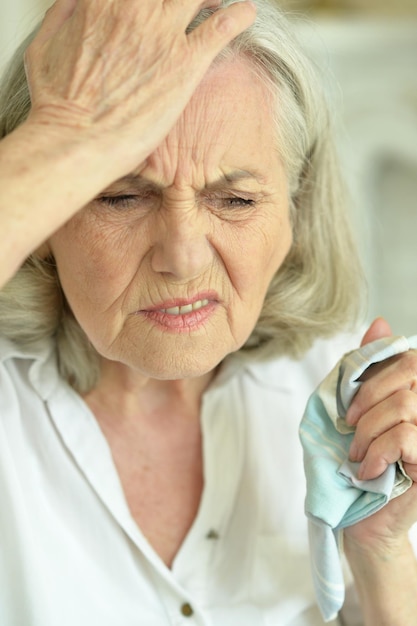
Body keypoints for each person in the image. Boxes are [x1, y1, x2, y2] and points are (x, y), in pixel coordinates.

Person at [0, 1, 416, 624]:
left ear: (294, 215)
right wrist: (64, 129)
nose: (183, 258)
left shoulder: (358, 413)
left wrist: (381, 552)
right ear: (44, 217)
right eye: (120, 196)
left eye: (236, 199)